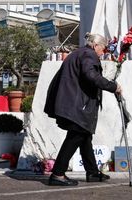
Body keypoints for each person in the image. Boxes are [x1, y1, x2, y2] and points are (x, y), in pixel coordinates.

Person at [44, 33, 121, 186]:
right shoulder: (89, 54)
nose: (103, 52)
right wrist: (113, 86)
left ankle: (92, 172)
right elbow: (90, 75)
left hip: (73, 102)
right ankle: (58, 174)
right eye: (103, 49)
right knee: (75, 137)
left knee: (84, 137)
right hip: (77, 104)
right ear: (95, 45)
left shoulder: (78, 53)